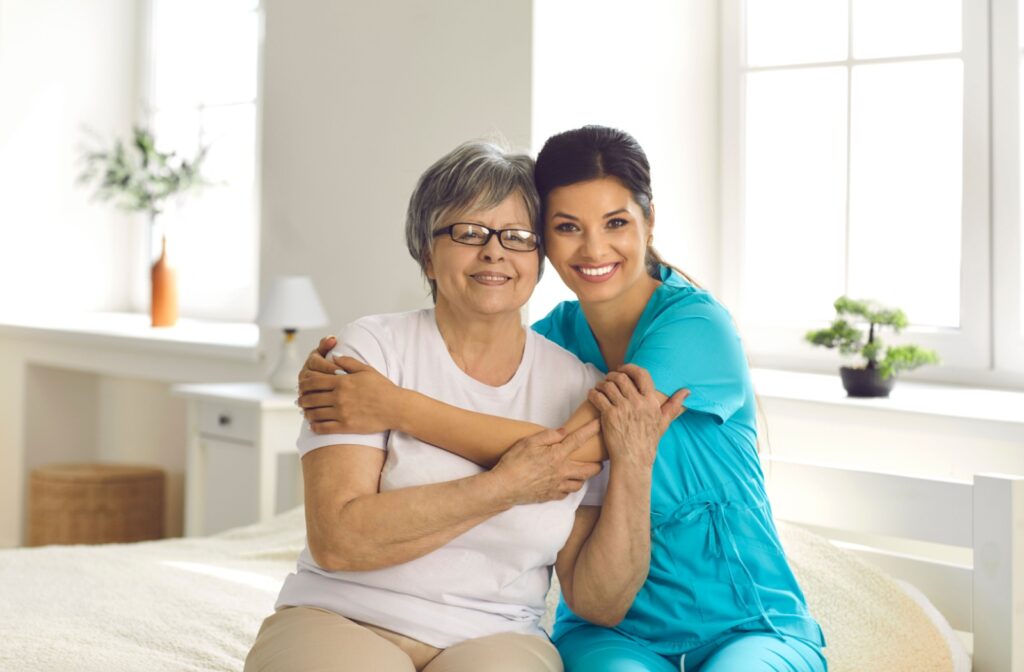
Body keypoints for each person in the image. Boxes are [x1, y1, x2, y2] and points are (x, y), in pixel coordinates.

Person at [299, 126, 828, 671]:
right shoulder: (554, 345)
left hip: (739, 617)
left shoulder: (695, 326)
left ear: (649, 222)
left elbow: (566, 455)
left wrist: (395, 406)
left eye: (616, 223)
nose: (594, 248)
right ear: (545, 241)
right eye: (567, 227)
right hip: (614, 625)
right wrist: (333, 381)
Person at [245, 139, 684, 672]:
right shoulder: (370, 352)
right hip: (341, 616)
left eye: (516, 236)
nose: (493, 251)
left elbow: (598, 601)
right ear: (427, 254)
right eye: (468, 233)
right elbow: (339, 540)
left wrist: (635, 463)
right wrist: (504, 486)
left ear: (538, 259)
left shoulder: (579, 387)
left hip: (497, 636)